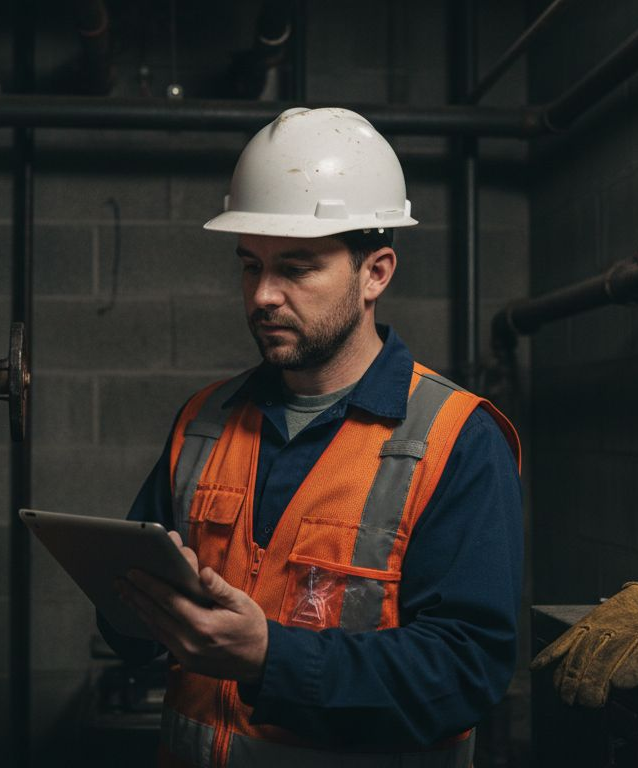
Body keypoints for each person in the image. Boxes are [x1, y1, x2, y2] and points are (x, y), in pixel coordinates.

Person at [99, 107, 523, 767]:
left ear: (376, 273)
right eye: (250, 266)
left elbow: (464, 672)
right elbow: (131, 619)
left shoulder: (456, 439)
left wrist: (271, 657)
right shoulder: (204, 421)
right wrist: (131, 611)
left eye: (295, 268)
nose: (263, 295)